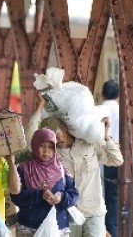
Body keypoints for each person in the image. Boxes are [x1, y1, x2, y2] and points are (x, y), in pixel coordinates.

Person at [29, 93, 124, 237]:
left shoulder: (89, 143)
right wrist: (40, 107)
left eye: (57, 135)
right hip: (69, 213)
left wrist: (106, 136)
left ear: (65, 128)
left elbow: (117, 160)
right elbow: (30, 139)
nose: (55, 140)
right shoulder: (53, 154)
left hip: (94, 212)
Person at [10, 128, 79, 236]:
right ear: (35, 145)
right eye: (42, 146)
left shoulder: (62, 169)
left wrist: (61, 197)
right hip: (29, 230)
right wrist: (40, 195)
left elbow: (74, 195)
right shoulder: (24, 170)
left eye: (51, 147)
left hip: (58, 230)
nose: (46, 151)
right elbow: (16, 197)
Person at [97, 80, 120, 237]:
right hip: (119, 158)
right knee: (115, 199)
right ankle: (115, 230)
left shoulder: (98, 110)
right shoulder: (122, 110)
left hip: (102, 160)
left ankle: (106, 231)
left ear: (102, 93)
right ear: (118, 95)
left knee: (101, 198)